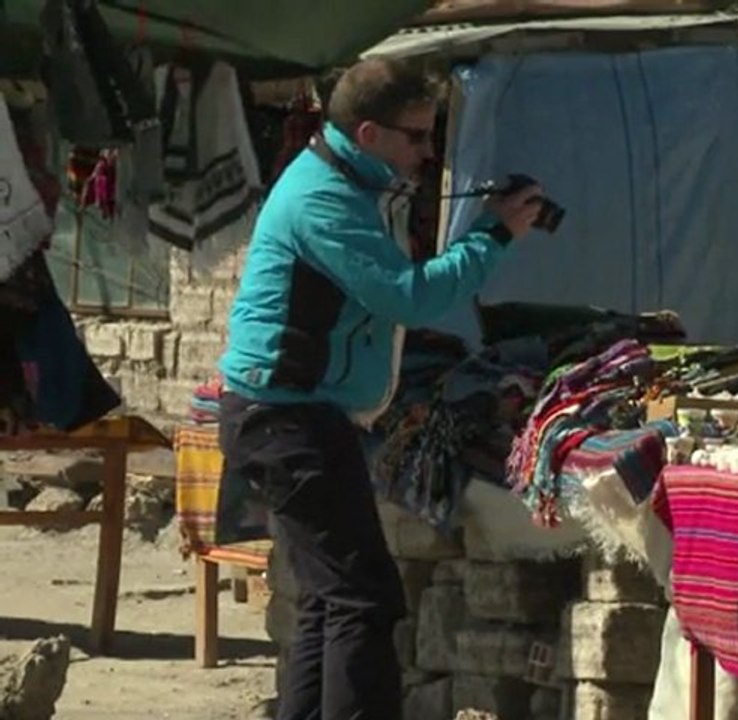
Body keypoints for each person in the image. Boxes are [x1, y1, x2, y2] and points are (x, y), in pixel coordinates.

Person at [217, 58, 545, 720]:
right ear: (368, 134)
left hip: (297, 417)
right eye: (417, 136)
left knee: (328, 601)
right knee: (364, 600)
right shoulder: (323, 200)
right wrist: (494, 237)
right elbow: (408, 296)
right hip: (288, 422)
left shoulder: (349, 183)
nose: (428, 152)